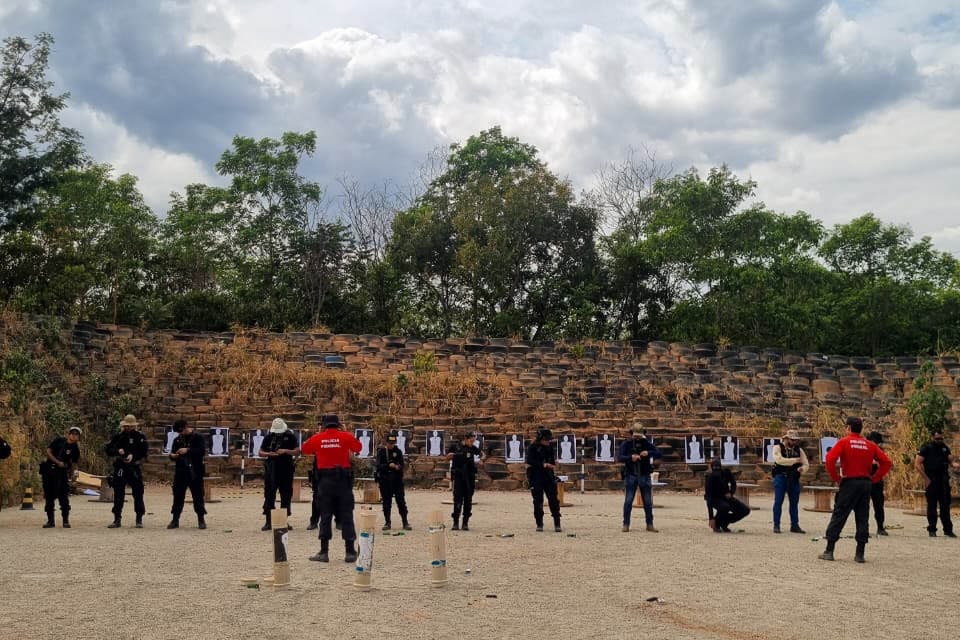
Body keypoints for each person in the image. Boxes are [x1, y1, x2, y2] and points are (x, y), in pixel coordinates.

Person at [819, 417, 891, 563]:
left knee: (839, 515)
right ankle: (860, 554)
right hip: (865, 484)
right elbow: (887, 462)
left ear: (848, 428)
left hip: (849, 482)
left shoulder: (844, 442)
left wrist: (837, 478)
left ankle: (829, 550)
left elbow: (830, 459)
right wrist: (874, 478)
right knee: (863, 517)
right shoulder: (870, 445)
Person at [301, 414, 362, 563]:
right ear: (339, 425)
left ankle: (324, 552)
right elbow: (358, 447)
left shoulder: (318, 438)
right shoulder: (345, 436)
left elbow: (304, 449)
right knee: (347, 515)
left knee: (325, 516)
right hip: (343, 481)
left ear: (323, 425)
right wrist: (346, 432)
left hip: (325, 481)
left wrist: (319, 434)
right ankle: (350, 552)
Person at [105, 414, 149, 529]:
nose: (127, 428)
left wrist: (133, 456)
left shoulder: (140, 437)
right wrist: (117, 451)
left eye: (130, 426)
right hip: (120, 467)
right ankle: (117, 519)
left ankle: (139, 518)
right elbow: (108, 449)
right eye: (126, 426)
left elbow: (144, 452)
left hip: (134, 467)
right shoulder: (119, 436)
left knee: (138, 493)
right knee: (118, 493)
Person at [915, 429, 960, 538]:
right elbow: (917, 464)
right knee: (932, 506)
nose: (939, 440)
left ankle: (948, 530)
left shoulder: (944, 448)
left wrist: (955, 464)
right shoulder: (926, 448)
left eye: (941, 438)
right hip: (932, 479)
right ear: (932, 438)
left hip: (943, 480)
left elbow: (950, 460)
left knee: (945, 506)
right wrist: (926, 479)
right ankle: (932, 529)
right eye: (937, 439)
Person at [260, 418, 300, 531]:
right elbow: (260, 452)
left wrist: (285, 451)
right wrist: (269, 453)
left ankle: (283, 521)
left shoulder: (290, 436)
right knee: (269, 495)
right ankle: (269, 521)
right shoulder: (269, 436)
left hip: (286, 470)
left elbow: (297, 451)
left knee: (286, 496)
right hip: (271, 469)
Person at [168, 419, 207, 530]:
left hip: (195, 471)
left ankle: (201, 519)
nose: (180, 434)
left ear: (186, 427)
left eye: (181, 431)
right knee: (178, 496)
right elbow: (172, 452)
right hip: (181, 471)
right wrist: (173, 456)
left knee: (198, 496)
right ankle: (175, 520)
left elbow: (201, 451)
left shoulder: (198, 437)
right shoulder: (177, 440)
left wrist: (188, 450)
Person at [619, 431, 662, 532]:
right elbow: (620, 457)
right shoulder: (626, 443)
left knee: (647, 502)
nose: (637, 438)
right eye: (635, 436)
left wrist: (648, 453)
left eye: (639, 436)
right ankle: (626, 524)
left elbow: (659, 454)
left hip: (644, 475)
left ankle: (649, 524)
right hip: (631, 475)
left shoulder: (646, 443)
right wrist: (631, 458)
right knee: (628, 501)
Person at [41, 427, 81, 528]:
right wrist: (57, 462)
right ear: (69, 434)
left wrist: (74, 475)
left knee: (63, 496)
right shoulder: (59, 441)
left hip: (62, 472)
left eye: (76, 434)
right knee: (49, 496)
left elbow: (74, 463)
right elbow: (48, 451)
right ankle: (50, 521)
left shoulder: (75, 448)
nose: (74, 435)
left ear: (78, 437)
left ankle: (65, 521)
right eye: (72, 433)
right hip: (50, 470)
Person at [771, 429, 809, 534]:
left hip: (793, 478)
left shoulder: (799, 450)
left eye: (796, 440)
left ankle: (794, 525)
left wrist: (802, 469)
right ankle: (776, 525)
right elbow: (779, 460)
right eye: (792, 440)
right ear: (787, 439)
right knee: (778, 502)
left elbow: (806, 463)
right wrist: (795, 461)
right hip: (781, 477)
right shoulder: (777, 447)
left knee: (794, 503)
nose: (795, 442)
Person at [525, 428, 562, 532]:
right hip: (536, 477)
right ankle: (539, 523)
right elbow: (529, 460)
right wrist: (543, 464)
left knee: (554, 500)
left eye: (549, 439)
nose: (548, 441)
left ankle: (557, 523)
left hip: (548, 476)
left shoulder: (549, 447)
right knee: (538, 501)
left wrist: (554, 463)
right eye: (546, 439)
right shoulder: (532, 447)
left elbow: (551, 460)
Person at [704, 459, 750, 532]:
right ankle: (717, 524)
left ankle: (725, 522)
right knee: (725, 506)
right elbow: (709, 498)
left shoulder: (726, 472)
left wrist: (731, 493)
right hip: (714, 499)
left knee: (745, 510)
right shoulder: (709, 478)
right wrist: (711, 518)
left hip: (726, 497)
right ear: (711, 468)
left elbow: (733, 483)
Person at [376, 433, 411, 531]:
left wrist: (397, 467)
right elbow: (378, 466)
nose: (391, 445)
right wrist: (388, 465)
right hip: (385, 480)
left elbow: (402, 466)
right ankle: (387, 522)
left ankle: (405, 521)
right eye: (389, 443)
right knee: (386, 502)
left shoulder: (398, 452)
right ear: (386, 443)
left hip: (397, 480)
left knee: (401, 501)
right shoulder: (382, 452)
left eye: (393, 443)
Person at [447, 432, 482, 531]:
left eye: (473, 441)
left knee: (468, 500)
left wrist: (480, 460)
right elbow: (447, 457)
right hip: (458, 476)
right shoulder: (456, 447)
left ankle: (465, 523)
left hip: (469, 476)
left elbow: (482, 454)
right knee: (457, 500)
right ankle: (455, 523)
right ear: (466, 439)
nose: (472, 443)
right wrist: (451, 455)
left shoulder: (472, 448)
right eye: (471, 441)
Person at [866, 431, 888, 536]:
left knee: (879, 505)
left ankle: (880, 527)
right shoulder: (864, 449)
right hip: (865, 480)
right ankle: (863, 528)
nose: (879, 445)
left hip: (877, 481)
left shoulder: (879, 451)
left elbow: (885, 463)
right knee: (863, 506)